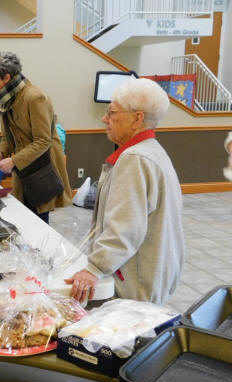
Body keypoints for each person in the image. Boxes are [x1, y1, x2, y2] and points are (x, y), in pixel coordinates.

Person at [64, 78, 185, 305]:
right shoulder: (152, 151)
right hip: (152, 276)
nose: (105, 119)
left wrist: (94, 268)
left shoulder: (135, 158)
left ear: (137, 119)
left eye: (112, 113)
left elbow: (125, 228)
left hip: (136, 284)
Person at [0, 51, 72, 224]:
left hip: (41, 169)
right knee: (24, 216)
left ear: (6, 78)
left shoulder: (35, 97)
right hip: (23, 168)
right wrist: (1, 153)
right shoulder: (5, 99)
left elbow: (43, 141)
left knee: (39, 219)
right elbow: (7, 137)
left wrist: (13, 161)